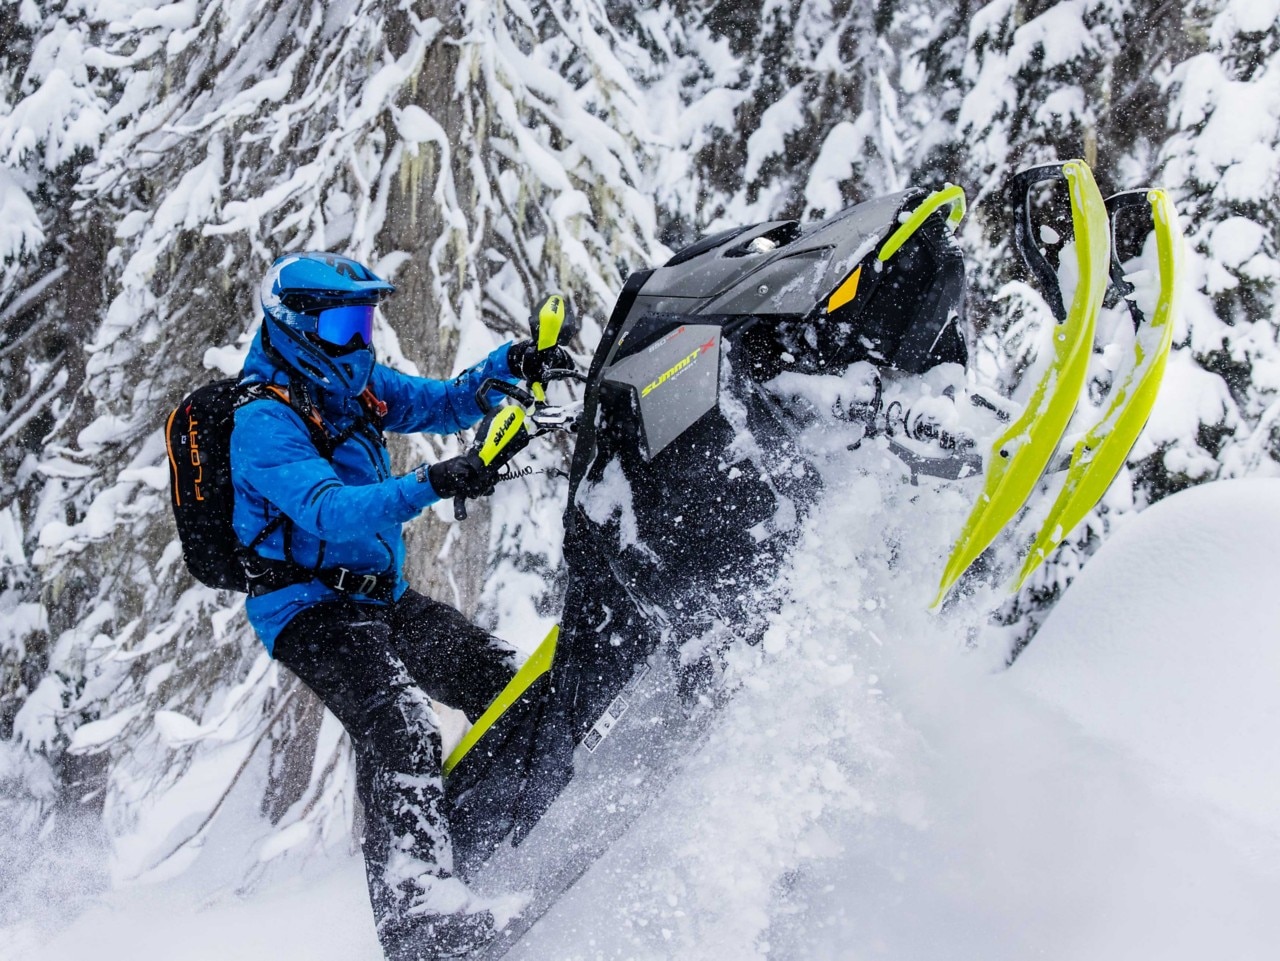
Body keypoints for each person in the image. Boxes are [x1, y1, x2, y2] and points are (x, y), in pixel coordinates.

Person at [229, 251, 572, 960]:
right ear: (298, 326)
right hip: (305, 610)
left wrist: (510, 367)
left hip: (378, 597)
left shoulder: (352, 382)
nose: (362, 338)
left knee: (505, 681)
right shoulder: (263, 420)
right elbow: (329, 512)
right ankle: (419, 919)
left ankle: (525, 812)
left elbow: (442, 399)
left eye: (367, 319)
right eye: (346, 321)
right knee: (403, 728)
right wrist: (433, 482)